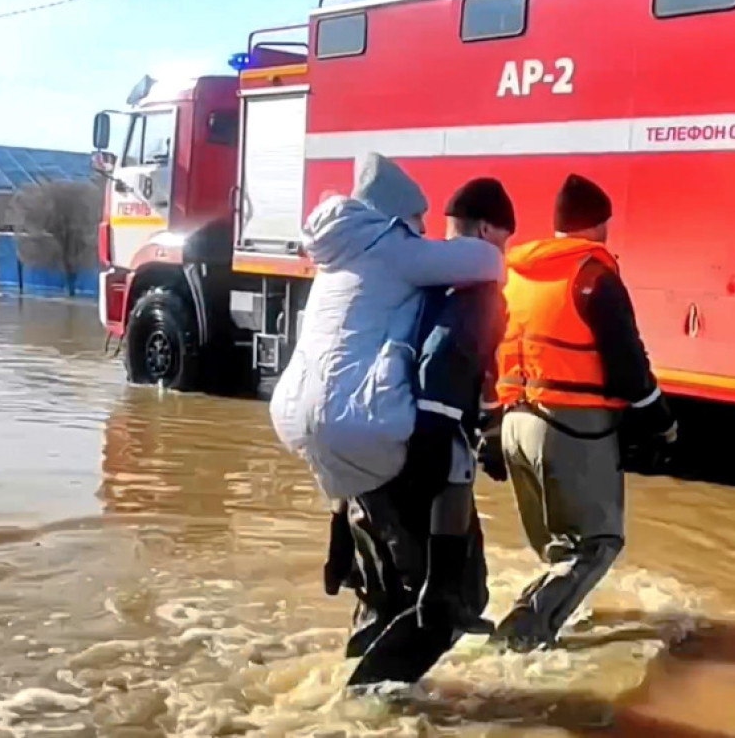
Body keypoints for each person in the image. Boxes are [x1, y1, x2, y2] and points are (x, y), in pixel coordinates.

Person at [268, 154, 505, 617]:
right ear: (398, 214)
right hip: (360, 421)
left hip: (298, 416)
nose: (422, 230)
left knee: (362, 496)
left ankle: (346, 556)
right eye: (419, 219)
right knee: (451, 452)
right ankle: (437, 594)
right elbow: (486, 261)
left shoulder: (337, 254)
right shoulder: (390, 246)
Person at [488, 174, 678, 652]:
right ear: (600, 225)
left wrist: (488, 427)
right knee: (599, 543)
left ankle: (538, 624)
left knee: (558, 549)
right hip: (570, 427)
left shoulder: (513, 274)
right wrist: (661, 420)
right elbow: (627, 363)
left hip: (513, 421)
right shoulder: (594, 276)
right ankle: (523, 634)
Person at [338, 178, 516, 669]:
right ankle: (371, 707)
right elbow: (442, 364)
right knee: (458, 598)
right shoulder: (475, 291)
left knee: (385, 596)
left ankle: (342, 680)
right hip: (410, 456)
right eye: (504, 240)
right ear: (485, 230)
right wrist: (435, 443)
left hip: (358, 452)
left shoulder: (412, 281)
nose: (504, 253)